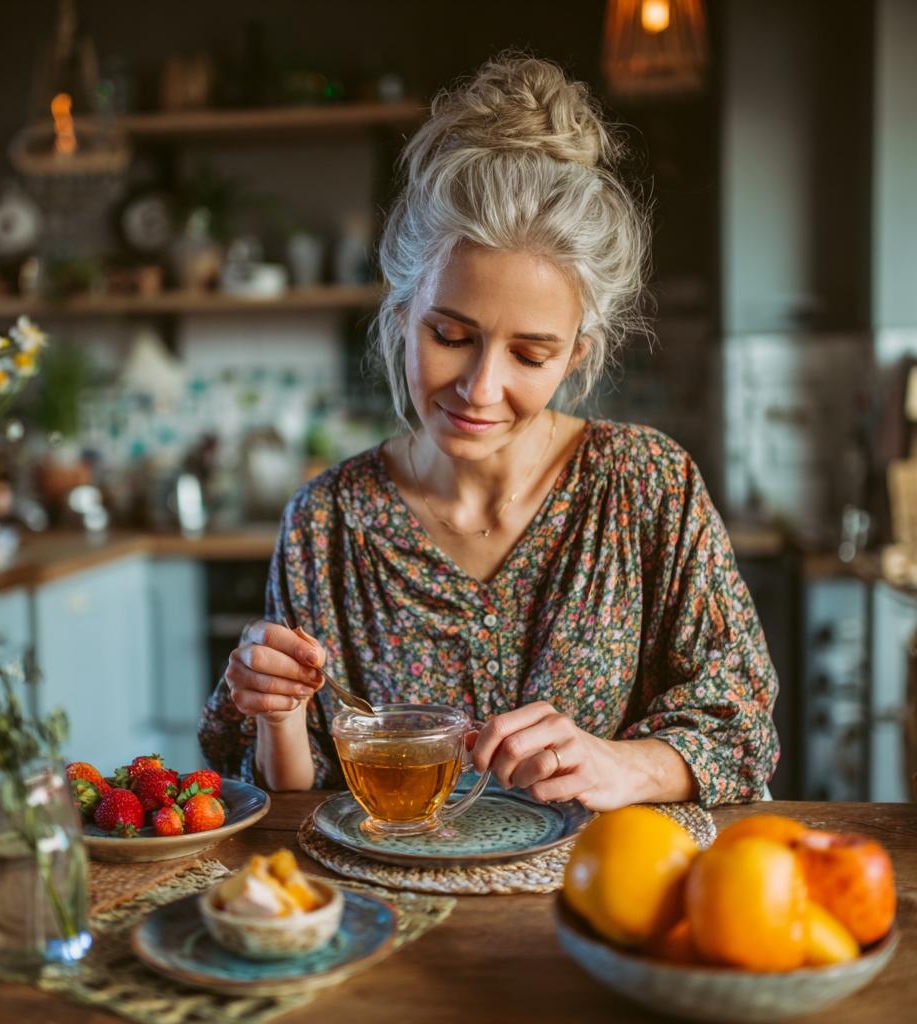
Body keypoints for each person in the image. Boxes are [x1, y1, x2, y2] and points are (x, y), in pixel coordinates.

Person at [199, 55, 778, 810]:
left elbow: (743, 722)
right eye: (450, 334)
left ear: (576, 355)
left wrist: (621, 764)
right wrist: (277, 715)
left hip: (597, 909)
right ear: (402, 315)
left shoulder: (647, 486)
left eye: (530, 354)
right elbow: (293, 801)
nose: (480, 388)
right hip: (393, 918)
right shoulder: (328, 520)